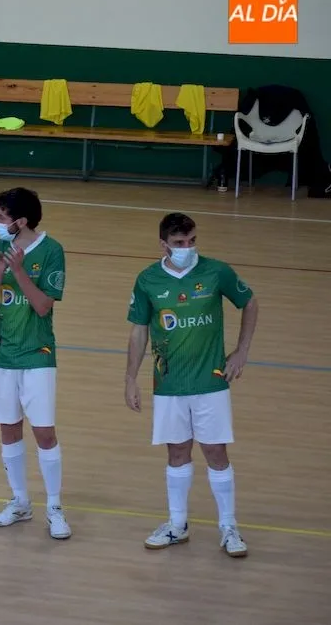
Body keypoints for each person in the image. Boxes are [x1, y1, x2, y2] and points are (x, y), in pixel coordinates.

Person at [125, 212, 257, 558]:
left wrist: (241, 351)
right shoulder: (148, 280)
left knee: (216, 453)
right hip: (168, 385)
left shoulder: (217, 272)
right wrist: (130, 378)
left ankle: (228, 527)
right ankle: (177, 524)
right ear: (164, 245)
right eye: (180, 243)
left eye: (192, 241)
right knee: (177, 453)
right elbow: (139, 331)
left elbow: (250, 302)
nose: (188, 248)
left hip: (211, 384)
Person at [0, 187, 71, 540]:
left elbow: (44, 305)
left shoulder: (51, 251)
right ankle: (19, 501)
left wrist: (18, 272)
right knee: (8, 428)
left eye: (2, 217)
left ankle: (54, 507)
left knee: (44, 432)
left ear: (22, 221)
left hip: (37, 356)